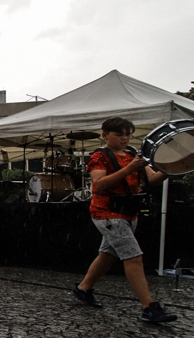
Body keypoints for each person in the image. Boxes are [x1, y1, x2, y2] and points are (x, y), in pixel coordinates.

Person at [73, 117, 175, 322]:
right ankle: (149, 307)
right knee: (133, 257)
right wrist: (129, 169)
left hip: (129, 212)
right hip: (107, 212)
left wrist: (171, 168)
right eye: (119, 134)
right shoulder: (99, 156)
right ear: (105, 135)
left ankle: (83, 288)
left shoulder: (133, 154)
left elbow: (153, 179)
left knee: (107, 255)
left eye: (127, 134)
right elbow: (99, 185)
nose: (124, 138)